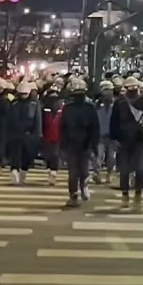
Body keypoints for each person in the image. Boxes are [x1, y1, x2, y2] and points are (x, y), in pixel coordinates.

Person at [110, 75, 143, 207]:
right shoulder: (119, 103)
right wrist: (114, 139)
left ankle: (138, 193)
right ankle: (125, 195)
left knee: (140, 170)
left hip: (139, 141)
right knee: (124, 171)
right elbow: (114, 122)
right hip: (123, 140)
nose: (132, 90)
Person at [60, 78, 99, 206]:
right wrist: (63, 145)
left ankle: (83, 187)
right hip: (71, 144)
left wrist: (93, 145)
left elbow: (95, 128)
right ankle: (73, 195)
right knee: (72, 173)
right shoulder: (68, 108)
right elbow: (63, 127)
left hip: (85, 145)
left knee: (84, 171)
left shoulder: (90, 108)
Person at [6, 82, 42, 185]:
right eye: (21, 94)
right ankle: (15, 171)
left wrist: (37, 134)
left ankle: (22, 172)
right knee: (15, 155)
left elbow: (38, 120)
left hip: (29, 134)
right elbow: (9, 120)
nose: (23, 96)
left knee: (28, 156)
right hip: (16, 134)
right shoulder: (14, 104)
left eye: (25, 94)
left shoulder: (34, 104)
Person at [93, 80, 116, 184]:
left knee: (111, 158)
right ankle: (96, 173)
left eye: (110, 90)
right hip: (100, 135)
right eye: (106, 90)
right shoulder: (97, 105)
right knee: (98, 155)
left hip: (112, 135)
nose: (108, 93)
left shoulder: (116, 104)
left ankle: (109, 173)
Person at [41, 84, 63, 185]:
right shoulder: (44, 108)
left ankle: (53, 172)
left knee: (55, 155)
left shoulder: (62, 108)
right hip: (47, 135)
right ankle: (51, 170)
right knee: (49, 155)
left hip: (57, 136)